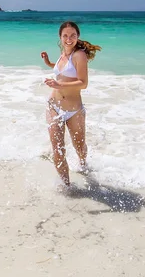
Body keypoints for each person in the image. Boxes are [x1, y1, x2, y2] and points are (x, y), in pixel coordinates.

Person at [40, 21, 102, 187]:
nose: (69, 39)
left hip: (74, 110)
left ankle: (83, 166)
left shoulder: (79, 55)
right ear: (60, 37)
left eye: (72, 35)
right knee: (58, 149)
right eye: (65, 36)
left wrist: (59, 85)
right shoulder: (63, 53)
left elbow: (83, 83)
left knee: (79, 146)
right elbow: (62, 69)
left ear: (78, 36)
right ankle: (67, 187)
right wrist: (48, 63)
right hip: (54, 106)